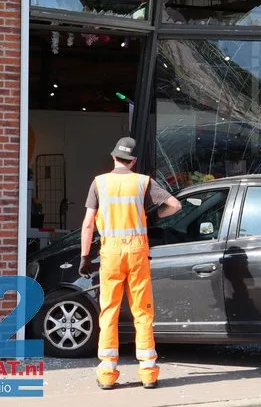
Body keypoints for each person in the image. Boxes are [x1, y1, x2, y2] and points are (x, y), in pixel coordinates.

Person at [79, 136, 181, 390]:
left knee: (109, 311)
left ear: (113, 156)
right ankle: (148, 372)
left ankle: (107, 373)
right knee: (142, 311)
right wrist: (155, 215)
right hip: (137, 251)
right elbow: (175, 205)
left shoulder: (99, 183)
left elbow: (89, 223)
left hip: (111, 252)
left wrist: (84, 257)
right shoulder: (143, 182)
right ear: (133, 160)